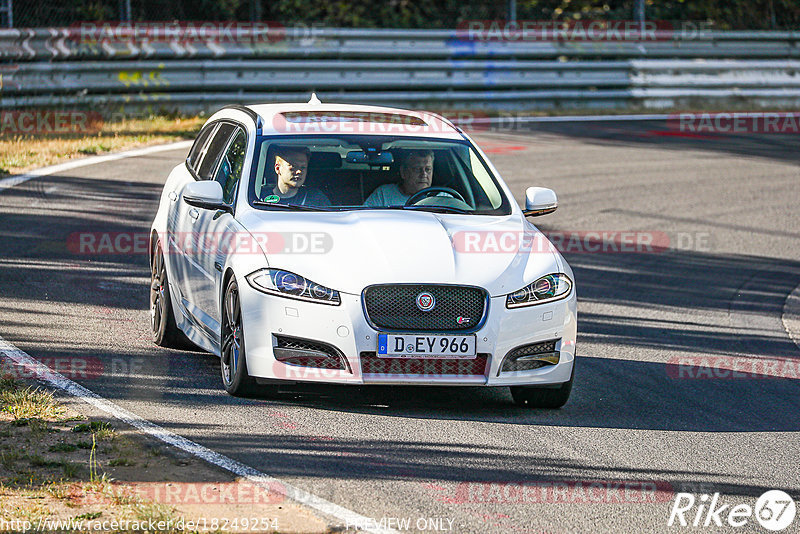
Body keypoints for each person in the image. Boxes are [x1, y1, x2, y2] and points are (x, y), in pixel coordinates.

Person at [363, 149, 434, 207]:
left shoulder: (441, 197)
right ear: (403, 172)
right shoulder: (384, 194)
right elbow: (365, 216)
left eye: (428, 169)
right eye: (417, 169)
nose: (423, 174)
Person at [263, 146, 330, 206]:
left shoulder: (316, 199)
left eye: (303, 167)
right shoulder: (259, 199)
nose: (299, 171)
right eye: (293, 166)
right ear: (278, 168)